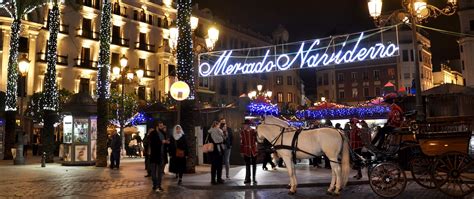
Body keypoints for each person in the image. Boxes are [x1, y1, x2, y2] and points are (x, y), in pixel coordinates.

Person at [240, 119, 258, 184]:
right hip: (246, 150)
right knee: (247, 165)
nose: (244, 126)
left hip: (253, 150)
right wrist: (242, 151)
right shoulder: (242, 132)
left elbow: (257, 140)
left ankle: (254, 178)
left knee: (254, 165)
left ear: (248, 125)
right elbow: (241, 143)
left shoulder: (254, 131)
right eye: (244, 125)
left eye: (245, 124)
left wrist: (256, 132)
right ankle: (248, 178)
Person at [149, 121, 165, 192]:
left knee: (160, 172)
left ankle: (159, 185)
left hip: (161, 154)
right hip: (154, 155)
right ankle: (154, 184)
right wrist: (161, 142)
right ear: (157, 126)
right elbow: (153, 143)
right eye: (160, 126)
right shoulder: (152, 133)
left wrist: (166, 142)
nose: (162, 127)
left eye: (162, 125)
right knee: (153, 171)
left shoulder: (163, 133)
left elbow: (164, 143)